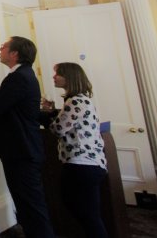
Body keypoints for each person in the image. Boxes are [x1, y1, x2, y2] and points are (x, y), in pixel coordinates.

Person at [0, 36, 54, 238]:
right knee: (28, 205)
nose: (0, 48)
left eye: (3, 46)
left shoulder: (18, 77)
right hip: (22, 149)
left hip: (21, 150)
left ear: (14, 53)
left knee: (31, 207)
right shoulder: (25, 75)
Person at [41, 63, 108, 238]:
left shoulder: (76, 101)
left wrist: (42, 115)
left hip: (81, 164)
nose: (54, 77)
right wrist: (52, 111)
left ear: (70, 77)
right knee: (88, 214)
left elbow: (58, 129)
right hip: (88, 164)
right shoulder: (80, 100)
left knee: (87, 215)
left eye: (58, 74)